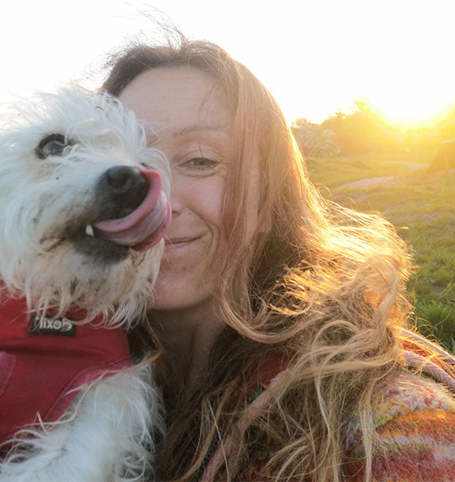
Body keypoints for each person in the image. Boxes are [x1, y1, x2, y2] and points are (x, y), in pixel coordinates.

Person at [102, 31, 455, 481]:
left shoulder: (386, 423)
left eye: (201, 160)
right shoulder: (24, 381)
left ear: (268, 197)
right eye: (122, 166)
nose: (158, 199)